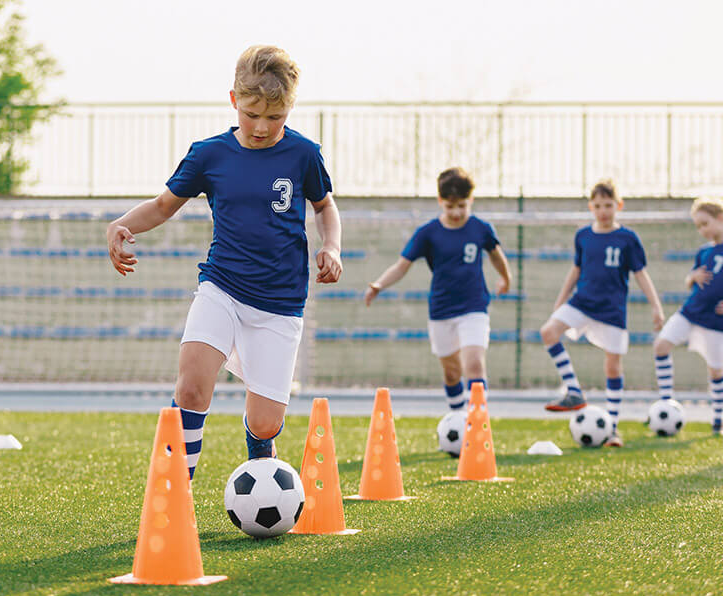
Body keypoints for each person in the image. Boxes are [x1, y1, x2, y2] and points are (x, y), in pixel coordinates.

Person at [105, 45, 342, 479]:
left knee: (266, 420)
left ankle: (261, 448)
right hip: (222, 287)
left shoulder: (304, 154)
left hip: (280, 302)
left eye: (276, 118)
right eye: (253, 114)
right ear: (234, 100)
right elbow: (162, 206)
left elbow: (325, 206)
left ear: (289, 109)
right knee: (192, 384)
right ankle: (176, 494)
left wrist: (332, 246)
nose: (262, 127)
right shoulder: (209, 154)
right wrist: (122, 225)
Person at [364, 167, 510, 412]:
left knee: (474, 363)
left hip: (474, 307)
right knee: (452, 373)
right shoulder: (428, 233)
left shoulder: (481, 229)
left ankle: (477, 425)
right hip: (441, 310)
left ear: (471, 200)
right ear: (440, 201)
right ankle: (457, 417)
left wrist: (506, 278)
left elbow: (496, 256)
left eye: (462, 206)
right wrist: (379, 284)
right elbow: (402, 266)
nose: (456, 212)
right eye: (450, 206)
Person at [539, 179, 665, 447]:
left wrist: (656, 305)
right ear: (590, 207)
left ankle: (613, 428)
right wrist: (561, 300)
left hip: (611, 310)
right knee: (549, 331)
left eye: (608, 205)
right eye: (597, 206)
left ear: (618, 205)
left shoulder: (627, 239)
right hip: (582, 302)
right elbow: (576, 270)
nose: (603, 211)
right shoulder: (583, 236)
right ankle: (574, 390)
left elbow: (640, 274)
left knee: (612, 365)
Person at [652, 197, 723, 436]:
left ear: (721, 219)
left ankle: (718, 421)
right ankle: (667, 405)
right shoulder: (703, 252)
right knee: (661, 345)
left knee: (715, 371)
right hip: (690, 312)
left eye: (705, 223)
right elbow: (691, 279)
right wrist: (693, 277)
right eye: (698, 226)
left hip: (717, 320)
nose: (702, 230)